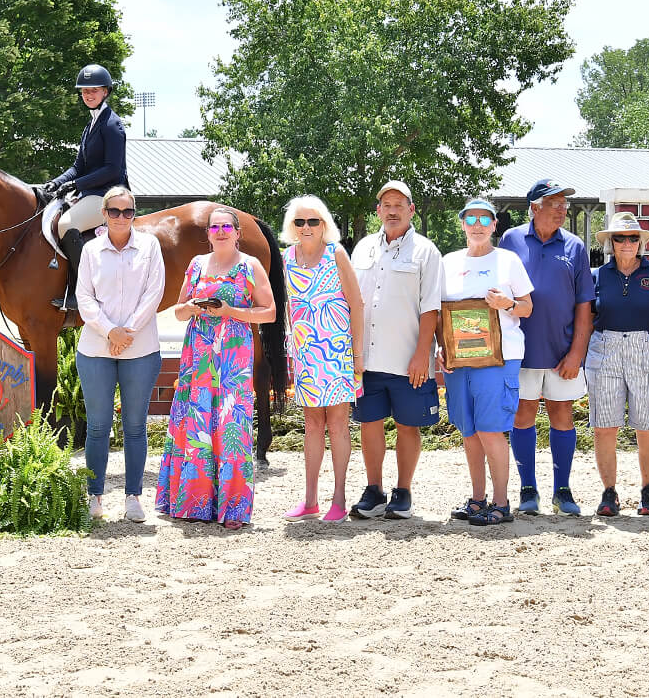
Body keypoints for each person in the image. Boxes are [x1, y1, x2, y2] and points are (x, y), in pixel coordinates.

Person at [156, 206, 277, 528]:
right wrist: (193, 308)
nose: (220, 231)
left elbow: (269, 313)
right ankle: (193, 504)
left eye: (226, 227)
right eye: (214, 227)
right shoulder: (196, 264)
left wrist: (230, 311)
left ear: (238, 233)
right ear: (208, 235)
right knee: (195, 425)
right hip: (198, 356)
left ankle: (233, 508)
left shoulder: (250, 265)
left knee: (231, 427)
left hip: (233, 358)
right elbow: (178, 312)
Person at [349, 181, 444, 521]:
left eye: (398, 205)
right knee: (369, 423)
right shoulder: (361, 249)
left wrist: (423, 353)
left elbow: (430, 306)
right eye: (385, 205)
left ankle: (403, 491)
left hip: (408, 359)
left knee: (408, 425)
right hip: (367, 358)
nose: (391, 210)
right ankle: (374, 490)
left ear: (411, 210)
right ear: (378, 211)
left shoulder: (426, 252)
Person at [499, 179, 594, 516]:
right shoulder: (510, 241)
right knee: (522, 416)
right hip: (520, 351)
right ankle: (528, 489)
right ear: (534, 208)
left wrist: (576, 354)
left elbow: (585, 305)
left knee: (562, 415)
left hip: (562, 353)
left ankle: (562, 491)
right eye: (554, 203)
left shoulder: (575, 246)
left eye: (563, 203)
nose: (562, 209)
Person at [436, 198, 533, 526]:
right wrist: (442, 347)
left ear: (494, 225)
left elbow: (528, 307)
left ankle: (501, 503)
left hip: (499, 357)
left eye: (485, 219)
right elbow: (440, 314)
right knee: (469, 431)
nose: (477, 225)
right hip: (459, 360)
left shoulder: (508, 261)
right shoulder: (447, 262)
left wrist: (508, 303)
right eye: (471, 218)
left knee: (491, 430)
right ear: (462, 223)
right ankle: (477, 499)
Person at [76, 186, 166, 523]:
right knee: (98, 427)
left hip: (140, 348)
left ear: (134, 214)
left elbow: (154, 292)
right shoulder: (90, 251)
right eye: (114, 212)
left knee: (135, 427)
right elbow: (84, 297)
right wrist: (109, 331)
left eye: (127, 212)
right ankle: (95, 496)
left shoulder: (150, 246)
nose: (121, 218)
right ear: (104, 214)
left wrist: (125, 332)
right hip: (96, 349)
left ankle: (133, 496)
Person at [279, 195, 364, 524]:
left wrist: (358, 355)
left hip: (338, 353)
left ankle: (339, 499)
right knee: (312, 426)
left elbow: (357, 304)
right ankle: (311, 499)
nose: (306, 227)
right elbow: (289, 308)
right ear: (292, 227)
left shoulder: (336, 254)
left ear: (324, 225)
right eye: (299, 222)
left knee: (338, 424)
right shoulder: (288, 257)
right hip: (305, 355)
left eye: (313, 221)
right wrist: (292, 353)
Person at [586, 212, 649, 518]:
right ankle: (609, 493)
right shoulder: (598, 275)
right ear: (611, 242)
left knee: (648, 426)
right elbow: (586, 321)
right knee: (604, 427)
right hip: (605, 348)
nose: (627, 243)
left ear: (640, 242)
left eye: (632, 238)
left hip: (647, 349)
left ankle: (648, 491)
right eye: (620, 238)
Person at [40, 63, 129, 309]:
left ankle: (84, 292)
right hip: (91, 192)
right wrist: (57, 182)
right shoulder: (90, 126)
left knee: (66, 224)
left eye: (94, 90)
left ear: (106, 92)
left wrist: (75, 184)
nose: (88, 95)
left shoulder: (112, 125)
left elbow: (112, 169)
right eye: (84, 91)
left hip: (109, 195)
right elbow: (78, 165)